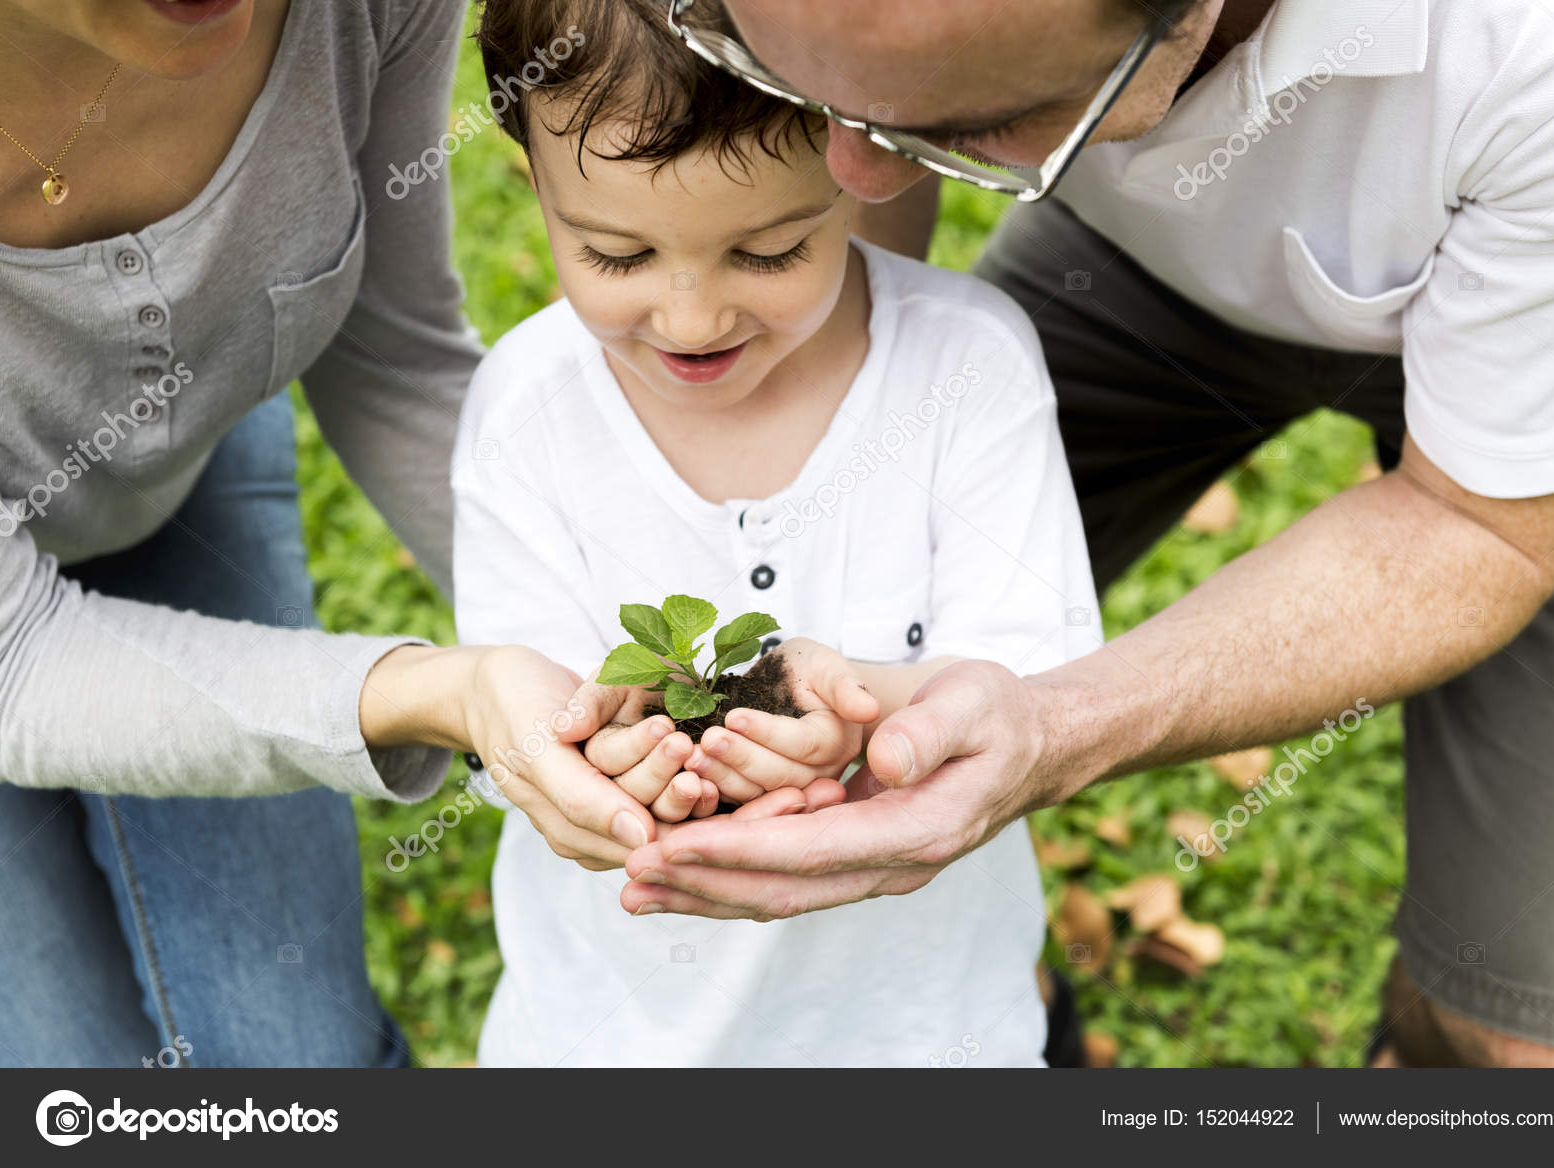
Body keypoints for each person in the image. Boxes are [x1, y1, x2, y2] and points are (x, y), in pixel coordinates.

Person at [607, 0, 1554, 1068]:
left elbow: (1471, 525)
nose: (849, 170)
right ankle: (1012, 1024)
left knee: (1518, 1032)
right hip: (1131, 262)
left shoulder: (1549, 57)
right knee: (828, 697)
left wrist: (1050, 728)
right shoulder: (894, 107)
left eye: (978, 124)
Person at [0, 0, 674, 1068]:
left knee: (301, 1064)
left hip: (176, 479)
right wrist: (441, 690)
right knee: (66, 1074)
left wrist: (630, 674)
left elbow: (393, 351)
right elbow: (15, 658)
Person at [453, 0, 1101, 1065]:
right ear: (535, 185)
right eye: (617, 255)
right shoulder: (526, 408)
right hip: (615, 1039)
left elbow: (1035, 691)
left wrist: (865, 716)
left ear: (864, 165)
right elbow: (521, 725)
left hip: (927, 1036)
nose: (693, 318)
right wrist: (618, 755)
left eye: (768, 250)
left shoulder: (966, 369)